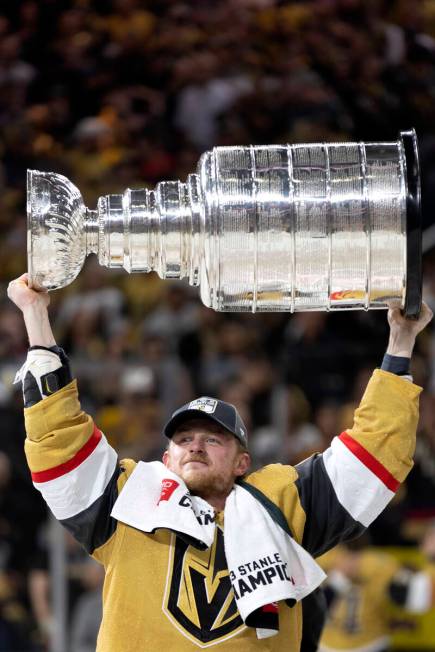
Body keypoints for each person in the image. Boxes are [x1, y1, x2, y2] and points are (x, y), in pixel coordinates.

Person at [7, 272, 433, 652]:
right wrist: (36, 319)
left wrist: (400, 340)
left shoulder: (282, 502)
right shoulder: (129, 499)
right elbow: (60, 445)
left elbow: (373, 456)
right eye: (184, 439)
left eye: (214, 440)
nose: (196, 446)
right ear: (166, 458)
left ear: (242, 463)